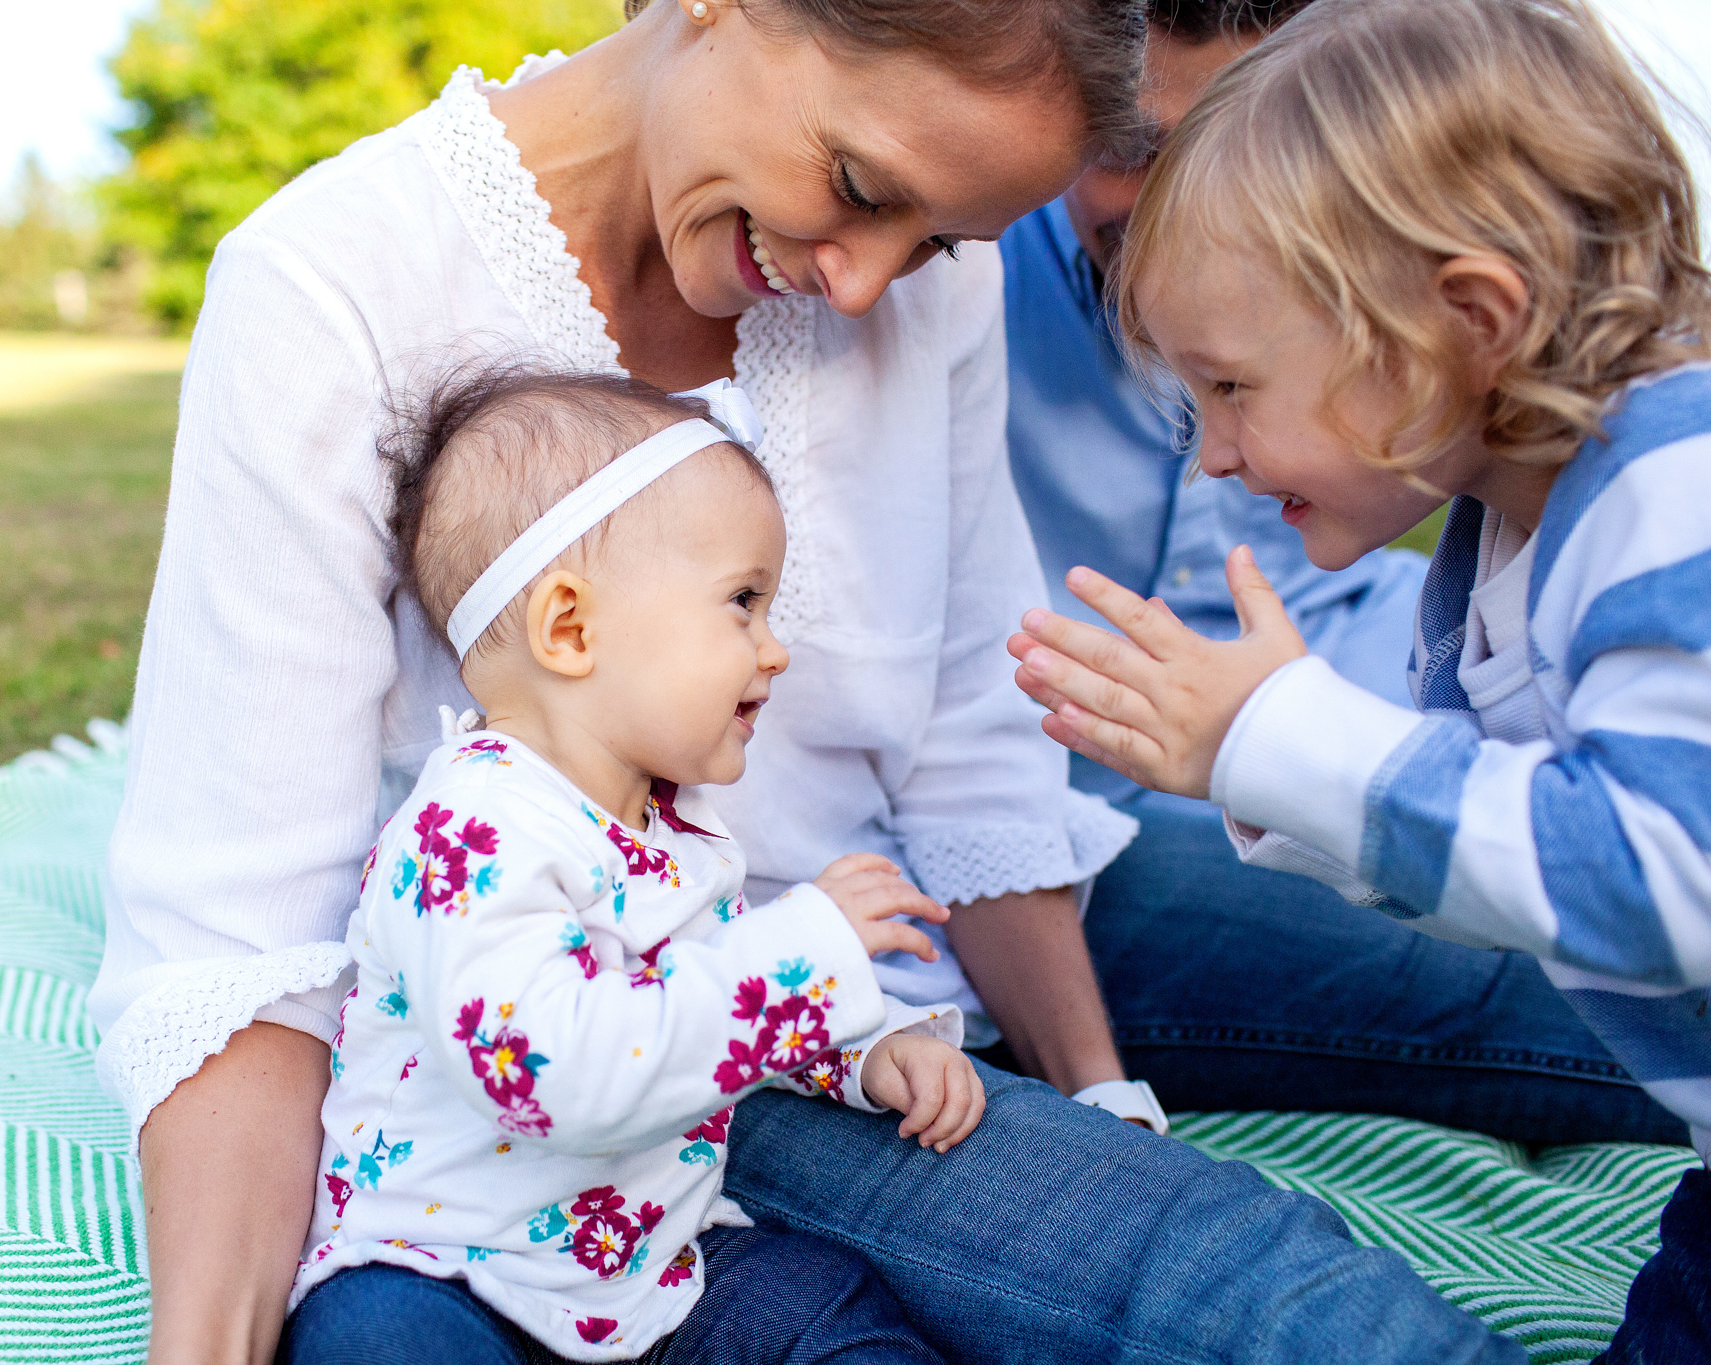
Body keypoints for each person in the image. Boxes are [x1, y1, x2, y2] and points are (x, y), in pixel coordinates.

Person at [87, 1, 1521, 1361]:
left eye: (941, 240)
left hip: (920, 931)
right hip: (652, 1026)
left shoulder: (922, 296)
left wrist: (1094, 1090)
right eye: (855, 180)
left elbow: (971, 737)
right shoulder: (338, 287)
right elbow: (241, 942)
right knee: (1259, 1284)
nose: (863, 282)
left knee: (1504, 969)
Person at [1009, 0, 1711, 1356]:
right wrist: (1270, 780)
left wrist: (1289, 735)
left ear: (1468, 322)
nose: (1212, 453)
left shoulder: (1674, 501)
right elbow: (1505, 855)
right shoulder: (1510, 531)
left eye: (1230, 385)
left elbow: (1662, 874)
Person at [285, 367, 974, 1364]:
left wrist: (865, 1044)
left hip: (649, 1270)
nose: (773, 650)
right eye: (742, 602)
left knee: (825, 1308)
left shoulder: (672, 837)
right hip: (447, 1272)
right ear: (569, 629)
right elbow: (549, 1075)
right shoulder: (468, 831)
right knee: (376, 1342)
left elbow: (710, 1008)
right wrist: (807, 952)